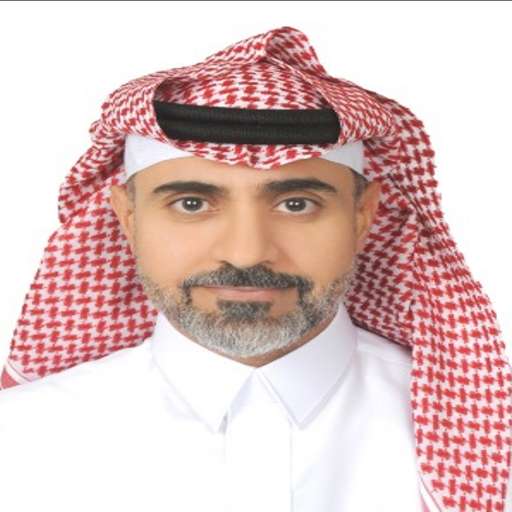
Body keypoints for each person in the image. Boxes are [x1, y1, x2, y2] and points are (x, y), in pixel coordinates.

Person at [0, 25, 510, 512]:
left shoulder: (489, 438)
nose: (246, 254)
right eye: (192, 204)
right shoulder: (21, 440)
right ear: (128, 219)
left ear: (363, 215)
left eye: (296, 204)